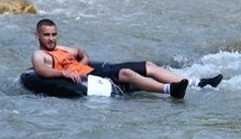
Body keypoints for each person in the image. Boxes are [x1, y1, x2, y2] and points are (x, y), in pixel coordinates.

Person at [31, 18, 222, 98]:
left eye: (53, 34)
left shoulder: (63, 48)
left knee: (148, 64)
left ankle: (199, 83)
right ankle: (171, 90)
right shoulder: (40, 54)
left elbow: (83, 52)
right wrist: (64, 73)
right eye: (46, 35)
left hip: (90, 71)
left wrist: (78, 64)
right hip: (91, 79)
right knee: (126, 73)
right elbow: (40, 70)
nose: (51, 39)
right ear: (37, 35)